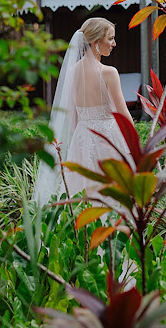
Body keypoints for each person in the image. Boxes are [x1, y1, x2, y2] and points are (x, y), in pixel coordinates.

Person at [33, 17, 134, 205]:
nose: (114, 44)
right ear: (96, 42)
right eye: (110, 39)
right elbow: (123, 113)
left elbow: (72, 116)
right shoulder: (109, 72)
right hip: (108, 138)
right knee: (113, 192)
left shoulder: (72, 72)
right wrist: (134, 143)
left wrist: (82, 138)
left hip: (82, 137)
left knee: (84, 192)